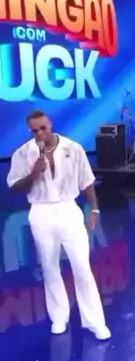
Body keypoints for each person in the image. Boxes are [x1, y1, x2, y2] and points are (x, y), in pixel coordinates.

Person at [6, 110, 111, 340]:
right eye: (35, 130)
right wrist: (33, 174)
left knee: (81, 265)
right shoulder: (23, 154)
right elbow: (14, 186)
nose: (40, 133)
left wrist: (94, 210)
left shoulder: (73, 149)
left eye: (43, 128)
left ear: (50, 124)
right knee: (49, 266)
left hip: (68, 208)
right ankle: (59, 317)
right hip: (40, 211)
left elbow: (87, 182)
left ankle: (95, 322)